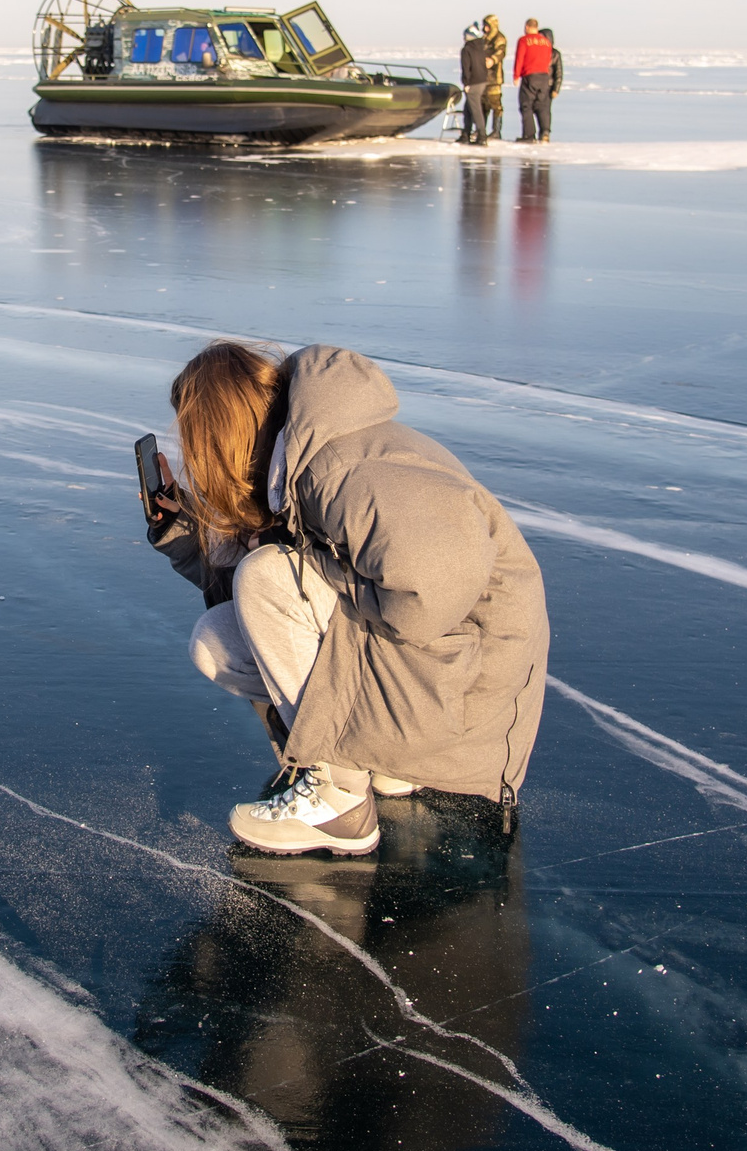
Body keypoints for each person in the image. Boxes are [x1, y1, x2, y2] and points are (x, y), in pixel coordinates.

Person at [146, 341, 549, 855]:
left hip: (466, 690)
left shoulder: (342, 469)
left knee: (269, 574)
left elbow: (432, 591)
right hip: (434, 680)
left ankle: (339, 801)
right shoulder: (297, 463)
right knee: (217, 640)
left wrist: (303, 561)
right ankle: (374, 761)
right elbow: (261, 600)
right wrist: (184, 531)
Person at [514, 21, 562, 142]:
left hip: (530, 76)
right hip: (544, 79)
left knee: (526, 105)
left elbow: (520, 58)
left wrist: (516, 75)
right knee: (543, 107)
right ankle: (545, 132)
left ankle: (529, 135)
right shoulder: (546, 44)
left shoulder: (524, 41)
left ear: (527, 27)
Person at [455, 19, 492, 144]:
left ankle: (482, 136)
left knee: (475, 109)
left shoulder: (467, 50)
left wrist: (466, 83)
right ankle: (466, 133)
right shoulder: (481, 47)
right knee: (468, 108)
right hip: (482, 81)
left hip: (473, 82)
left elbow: (466, 68)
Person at [479, 14, 509, 141]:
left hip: (494, 78)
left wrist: (493, 60)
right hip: (482, 77)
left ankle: (496, 130)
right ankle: (481, 130)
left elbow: (501, 52)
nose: (485, 28)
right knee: (482, 104)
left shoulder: (499, 38)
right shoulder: (483, 39)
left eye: (487, 26)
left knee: (495, 104)